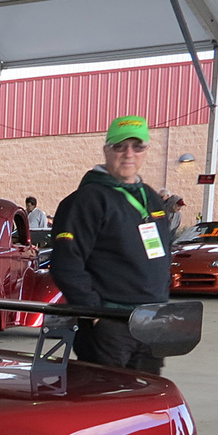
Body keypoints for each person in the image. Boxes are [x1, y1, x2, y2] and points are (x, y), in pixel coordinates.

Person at [50, 115, 174, 374]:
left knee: (143, 404)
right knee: (104, 403)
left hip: (150, 321)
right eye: (120, 146)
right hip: (110, 325)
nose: (129, 154)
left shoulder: (151, 198)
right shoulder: (87, 200)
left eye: (137, 147)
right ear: (106, 149)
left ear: (146, 151)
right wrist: (96, 314)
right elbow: (66, 263)